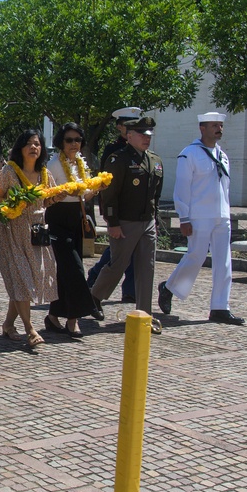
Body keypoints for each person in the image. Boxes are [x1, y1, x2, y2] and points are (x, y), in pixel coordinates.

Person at [158, 112, 244, 325]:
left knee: (224, 262)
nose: (219, 129)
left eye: (221, 125)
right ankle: (168, 287)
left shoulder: (222, 155)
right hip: (198, 216)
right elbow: (182, 188)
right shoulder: (190, 154)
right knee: (195, 256)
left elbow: (224, 188)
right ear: (202, 128)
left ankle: (220, 307)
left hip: (221, 216)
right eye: (214, 125)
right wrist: (184, 217)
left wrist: (226, 212)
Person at [90, 116, 164, 328]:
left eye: (148, 135)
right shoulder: (118, 159)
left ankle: (144, 316)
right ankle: (94, 295)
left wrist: (155, 219)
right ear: (129, 135)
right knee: (118, 265)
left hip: (147, 221)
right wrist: (112, 222)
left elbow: (155, 195)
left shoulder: (155, 161)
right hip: (124, 221)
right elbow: (109, 195)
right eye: (142, 135)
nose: (146, 139)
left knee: (146, 268)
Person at [0, 129, 59, 349]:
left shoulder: (45, 173)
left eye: (37, 144)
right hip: (12, 231)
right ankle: (31, 329)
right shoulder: (10, 171)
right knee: (22, 278)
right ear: (20, 148)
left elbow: (47, 200)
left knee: (26, 280)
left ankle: (9, 324)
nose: (34, 148)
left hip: (36, 232)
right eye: (29, 144)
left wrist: (55, 198)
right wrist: (11, 208)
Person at [45, 123, 102, 338]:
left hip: (76, 218)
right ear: (61, 141)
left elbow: (83, 195)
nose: (73, 144)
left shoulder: (81, 164)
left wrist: (95, 189)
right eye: (69, 140)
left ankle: (54, 316)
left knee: (66, 271)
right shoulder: (53, 165)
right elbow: (46, 195)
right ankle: (75, 318)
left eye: (77, 140)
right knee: (75, 269)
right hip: (57, 218)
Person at [87, 107, 141, 302]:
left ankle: (130, 290)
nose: (132, 129)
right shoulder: (113, 150)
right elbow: (108, 183)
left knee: (132, 248)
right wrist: (111, 215)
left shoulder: (142, 149)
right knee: (118, 250)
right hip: (119, 208)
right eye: (128, 125)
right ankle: (94, 277)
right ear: (119, 127)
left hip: (138, 210)